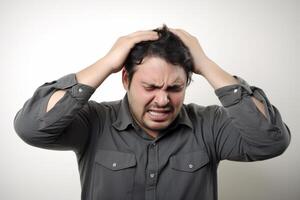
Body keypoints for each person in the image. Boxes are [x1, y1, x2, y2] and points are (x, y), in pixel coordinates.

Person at [14, 25, 291, 200]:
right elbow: (31, 127)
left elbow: (271, 141)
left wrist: (206, 64)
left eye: (174, 87)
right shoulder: (94, 121)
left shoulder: (210, 124)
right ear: (126, 79)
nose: (162, 99)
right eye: (150, 86)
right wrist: (106, 63)